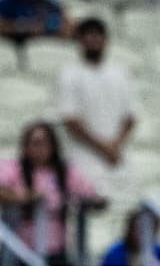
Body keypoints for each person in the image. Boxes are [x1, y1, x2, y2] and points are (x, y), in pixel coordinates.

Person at [0, 121, 105, 266]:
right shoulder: (13, 168)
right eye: (35, 143)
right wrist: (26, 197)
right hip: (20, 252)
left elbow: (90, 194)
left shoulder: (66, 172)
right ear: (25, 146)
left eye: (45, 143)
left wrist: (95, 201)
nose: (40, 149)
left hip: (56, 253)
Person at [55, 17, 137, 190]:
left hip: (117, 156)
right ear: (80, 41)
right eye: (88, 36)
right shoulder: (69, 74)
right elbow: (70, 120)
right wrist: (104, 148)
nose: (93, 40)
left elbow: (130, 117)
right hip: (84, 157)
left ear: (106, 40)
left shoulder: (121, 73)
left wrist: (115, 146)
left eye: (98, 35)